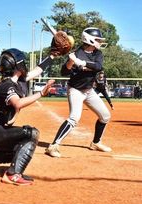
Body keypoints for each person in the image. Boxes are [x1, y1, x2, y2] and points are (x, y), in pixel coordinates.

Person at [0, 48, 58, 186]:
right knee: (31, 134)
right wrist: (41, 93)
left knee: (20, 150)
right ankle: (13, 175)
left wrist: (52, 56)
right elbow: (17, 103)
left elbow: (38, 70)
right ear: (18, 66)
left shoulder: (17, 80)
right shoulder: (7, 85)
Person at [45, 27, 112, 158]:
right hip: (75, 90)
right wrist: (70, 62)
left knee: (105, 116)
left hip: (89, 91)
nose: (99, 42)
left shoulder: (97, 53)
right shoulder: (76, 53)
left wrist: (83, 62)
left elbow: (99, 66)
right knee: (74, 118)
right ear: (89, 39)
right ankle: (53, 146)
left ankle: (96, 143)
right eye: (97, 39)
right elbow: (64, 72)